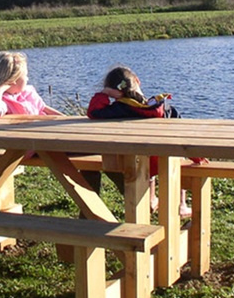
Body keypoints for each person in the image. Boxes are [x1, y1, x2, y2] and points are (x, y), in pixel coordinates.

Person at [87, 65, 207, 218]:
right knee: (175, 156)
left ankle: (150, 198)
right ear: (137, 81)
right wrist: (197, 157)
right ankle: (182, 204)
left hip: (137, 164)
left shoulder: (119, 109)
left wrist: (103, 95)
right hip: (165, 161)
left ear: (114, 93)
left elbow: (93, 112)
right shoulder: (165, 109)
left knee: (141, 158)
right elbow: (183, 136)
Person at [0, 51, 63, 118]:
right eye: (25, 76)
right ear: (14, 80)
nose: (27, 79)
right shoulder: (4, 100)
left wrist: (64, 117)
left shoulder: (28, 92)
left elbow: (43, 108)